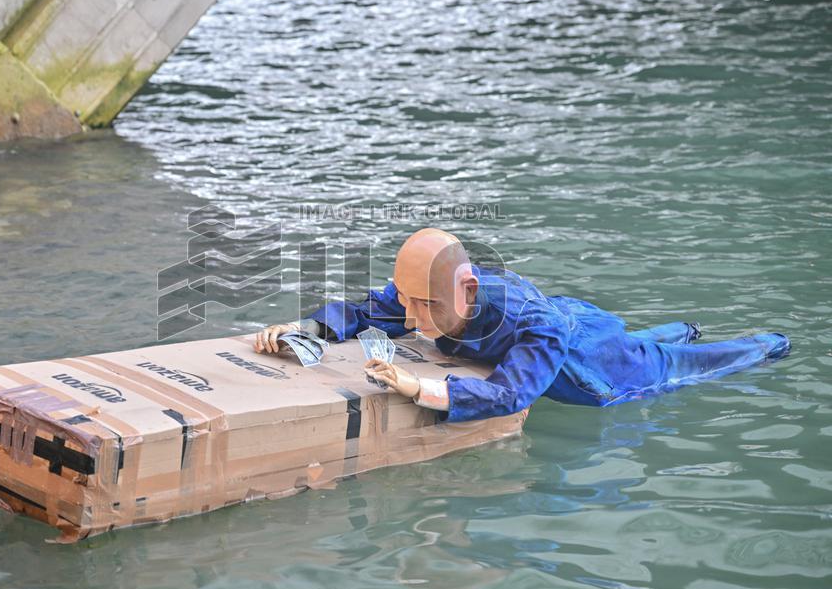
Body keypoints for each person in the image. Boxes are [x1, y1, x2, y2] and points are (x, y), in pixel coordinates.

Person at [254, 229, 791, 422]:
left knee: (676, 368)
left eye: (422, 308)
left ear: (465, 290)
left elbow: (514, 391)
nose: (410, 321)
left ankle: (765, 343)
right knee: (650, 340)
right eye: (408, 303)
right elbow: (372, 310)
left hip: (590, 361)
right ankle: (680, 325)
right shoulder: (430, 294)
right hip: (572, 320)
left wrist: (422, 387)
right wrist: (307, 332)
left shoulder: (528, 323)